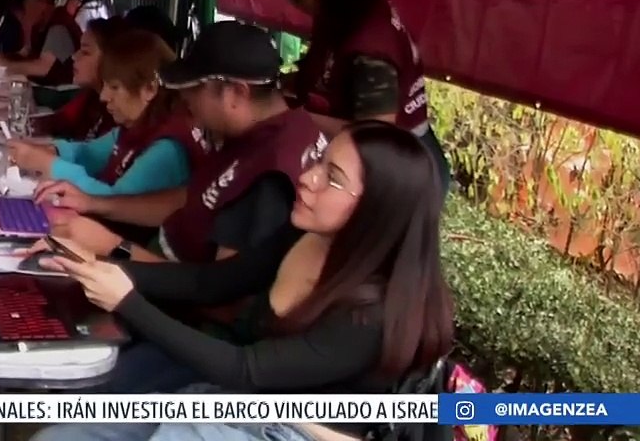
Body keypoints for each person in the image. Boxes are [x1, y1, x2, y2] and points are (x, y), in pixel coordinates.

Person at [33, 121, 454, 441]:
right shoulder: (303, 234)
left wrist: (126, 300)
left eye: (333, 178)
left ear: (375, 211)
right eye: (320, 162)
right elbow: (210, 283)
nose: (308, 177)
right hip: (233, 399)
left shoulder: (370, 317)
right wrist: (99, 265)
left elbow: (246, 370)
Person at [35, 21, 324, 269]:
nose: (185, 99)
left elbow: (217, 294)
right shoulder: (266, 131)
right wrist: (95, 203)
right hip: (151, 256)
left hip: (164, 299)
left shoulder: (269, 175)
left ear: (236, 93)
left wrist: (114, 248)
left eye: (195, 90)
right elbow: (192, 199)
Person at [269, 0, 450, 194]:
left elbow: (376, 137)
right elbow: (326, 76)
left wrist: (293, 116)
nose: (288, 0)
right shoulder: (338, 12)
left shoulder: (371, 46)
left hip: (398, 174)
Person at [10, 30, 191, 245]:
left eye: (114, 87)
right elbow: (88, 152)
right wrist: (55, 151)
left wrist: (50, 164)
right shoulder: (133, 129)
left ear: (149, 89)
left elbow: (116, 202)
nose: (104, 97)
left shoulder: (167, 150)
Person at [31, 17, 129, 141]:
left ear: (111, 59)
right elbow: (58, 121)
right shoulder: (90, 98)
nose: (74, 56)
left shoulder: (122, 116)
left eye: (85, 52)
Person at [0, 0, 80, 85]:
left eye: (22, 12)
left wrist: (4, 65)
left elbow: (43, 67)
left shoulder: (59, 27)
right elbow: (25, 53)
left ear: (41, 1)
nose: (22, 19)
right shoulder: (39, 28)